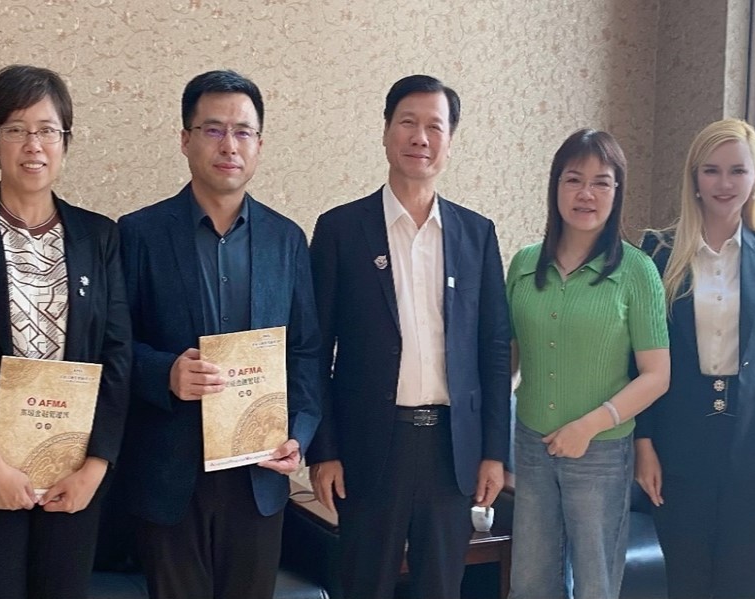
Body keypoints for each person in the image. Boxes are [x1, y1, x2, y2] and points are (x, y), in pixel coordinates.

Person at [0, 65, 131, 599]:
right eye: (16, 129)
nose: (33, 145)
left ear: (65, 141)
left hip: (73, 474)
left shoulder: (99, 236)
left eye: (47, 130)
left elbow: (117, 356)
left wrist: (95, 467)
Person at [115, 69, 321, 599]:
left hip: (258, 474)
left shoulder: (287, 239)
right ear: (185, 139)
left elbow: (305, 352)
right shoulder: (138, 234)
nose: (229, 145)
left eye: (243, 131)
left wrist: (299, 434)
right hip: (169, 474)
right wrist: (165, 373)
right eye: (213, 130)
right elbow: (112, 348)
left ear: (259, 145)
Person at [306, 74, 511, 599]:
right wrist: (322, 450)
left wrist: (494, 451)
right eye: (408, 123)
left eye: (434, 127)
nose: (421, 137)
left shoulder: (476, 234)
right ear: (385, 132)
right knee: (363, 585)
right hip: (370, 447)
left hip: (452, 450)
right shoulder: (340, 229)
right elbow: (313, 351)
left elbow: (493, 348)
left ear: (450, 140)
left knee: (440, 588)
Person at [635, 118, 755, 599]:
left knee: (743, 582)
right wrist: (643, 443)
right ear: (694, 178)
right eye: (711, 170)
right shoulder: (658, 251)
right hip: (678, 442)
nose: (724, 183)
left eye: (737, 171)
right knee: (686, 579)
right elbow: (639, 357)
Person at [506, 129, 670, 599]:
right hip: (532, 446)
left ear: (617, 192)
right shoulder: (523, 264)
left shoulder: (637, 271)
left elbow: (657, 375)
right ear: (555, 185)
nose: (586, 194)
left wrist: (589, 425)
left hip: (600, 452)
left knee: (596, 585)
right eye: (574, 179)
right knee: (530, 584)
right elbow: (509, 360)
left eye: (602, 182)